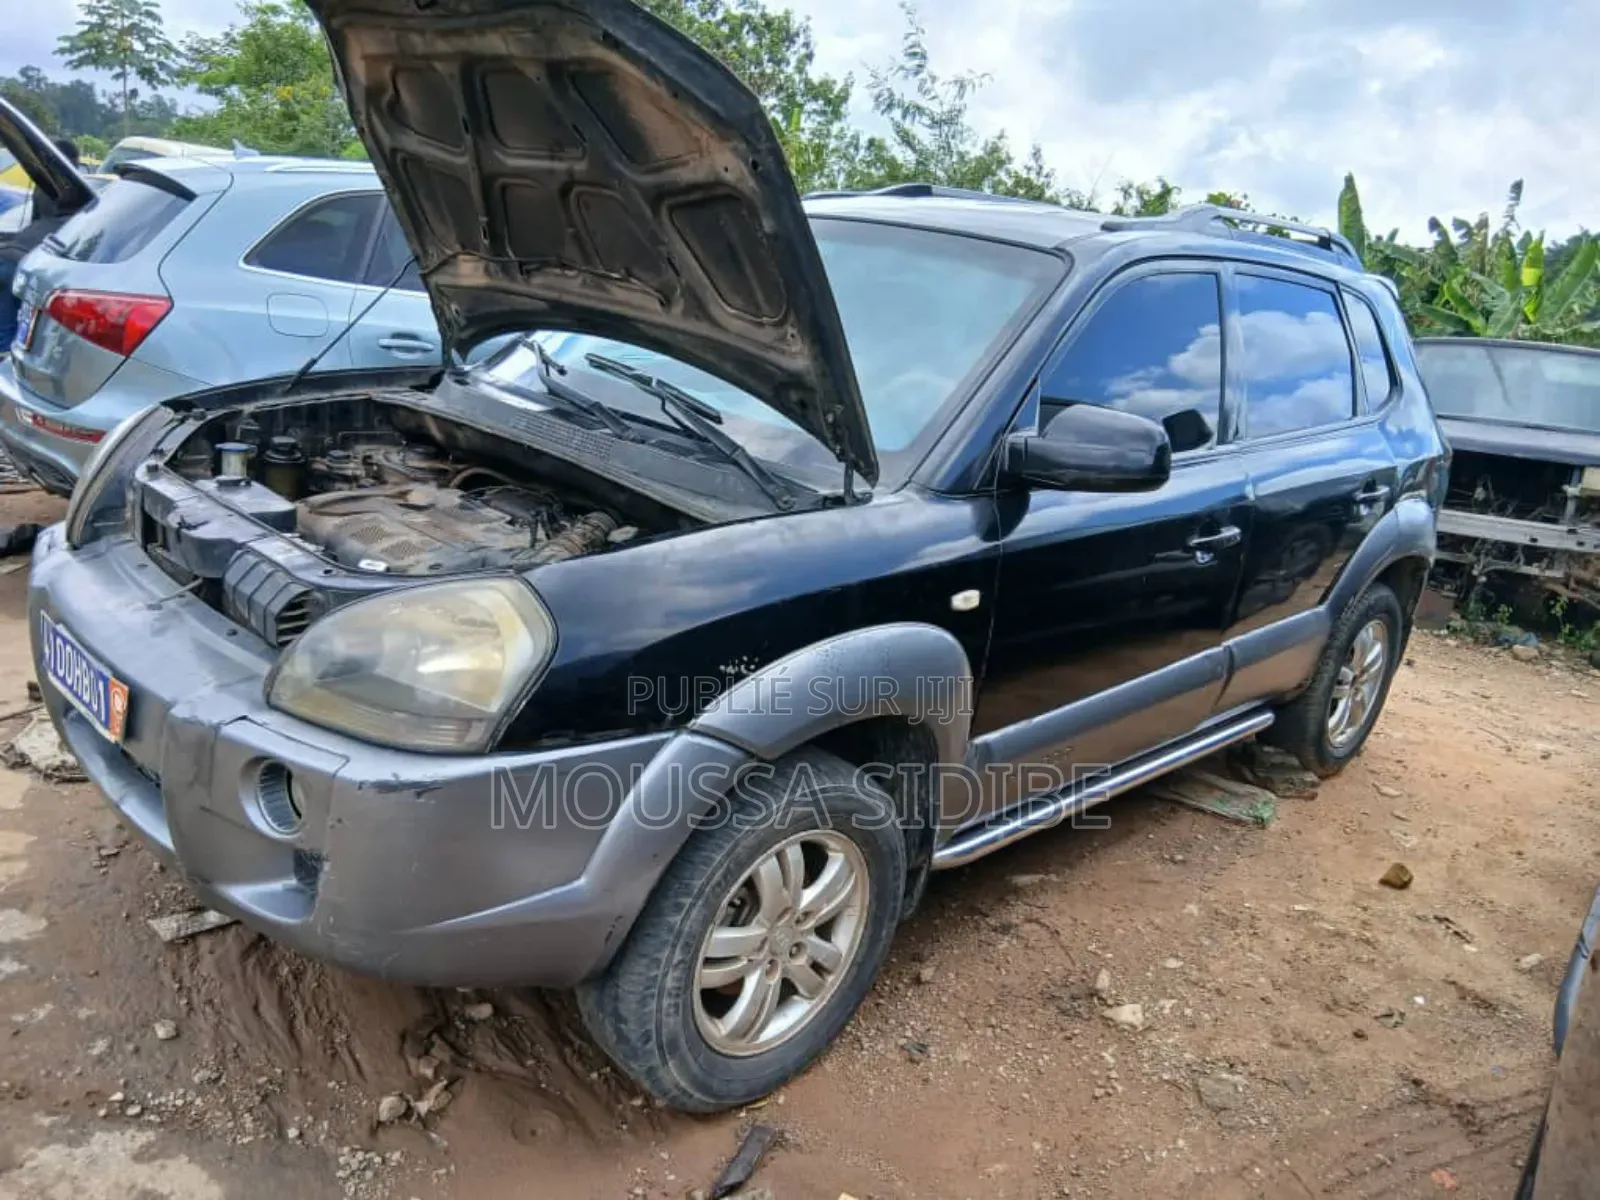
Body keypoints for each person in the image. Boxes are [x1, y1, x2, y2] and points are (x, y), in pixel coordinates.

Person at [0, 137, 80, 348]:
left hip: (8, 253)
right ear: (73, 161)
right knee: (26, 338)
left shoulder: (42, 188)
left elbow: (35, 221)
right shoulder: (79, 195)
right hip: (30, 263)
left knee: (3, 334)